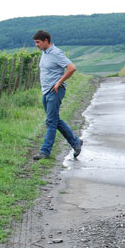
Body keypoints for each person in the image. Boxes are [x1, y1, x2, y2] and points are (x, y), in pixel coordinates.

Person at [32, 30, 82, 160]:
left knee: (51, 121)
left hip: (55, 91)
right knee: (54, 120)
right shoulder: (44, 53)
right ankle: (75, 142)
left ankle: (45, 151)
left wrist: (59, 82)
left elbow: (72, 68)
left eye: (38, 42)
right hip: (46, 91)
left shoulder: (56, 53)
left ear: (46, 41)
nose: (36, 45)